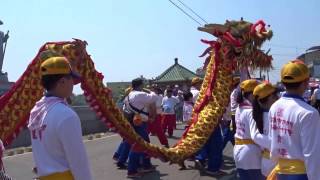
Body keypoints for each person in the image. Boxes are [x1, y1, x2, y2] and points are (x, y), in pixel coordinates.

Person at [28, 56, 92, 180]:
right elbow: (78, 161)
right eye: (71, 80)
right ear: (62, 81)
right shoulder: (66, 115)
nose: (73, 84)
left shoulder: (36, 111)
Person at [268, 60, 320, 180]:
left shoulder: (274, 107)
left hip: (280, 171)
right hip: (301, 174)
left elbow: (272, 141)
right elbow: (312, 154)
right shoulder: (309, 113)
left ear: (283, 82)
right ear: (306, 82)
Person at [123, 78, 157, 178]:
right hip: (140, 123)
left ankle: (144, 165)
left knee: (141, 144)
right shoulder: (139, 94)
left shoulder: (129, 95)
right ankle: (132, 170)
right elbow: (154, 98)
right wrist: (150, 90)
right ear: (140, 85)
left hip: (133, 122)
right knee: (139, 146)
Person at [233, 79, 264, 180]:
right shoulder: (251, 111)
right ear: (252, 94)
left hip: (238, 151)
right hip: (251, 154)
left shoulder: (239, 108)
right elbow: (255, 136)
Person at [249, 82, 278, 177]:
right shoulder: (276, 115)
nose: (278, 97)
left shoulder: (258, 115)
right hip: (276, 163)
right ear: (270, 97)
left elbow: (256, 137)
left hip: (266, 161)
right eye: (275, 95)